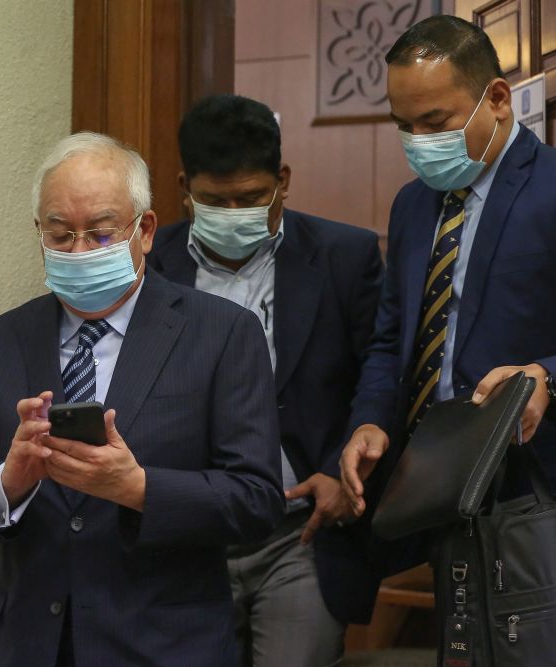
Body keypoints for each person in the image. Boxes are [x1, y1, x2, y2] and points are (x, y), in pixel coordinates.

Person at [338, 15, 556, 667]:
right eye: (403, 125)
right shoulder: (414, 207)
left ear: (497, 98)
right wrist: (370, 422)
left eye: (435, 122)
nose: (417, 142)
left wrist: (550, 377)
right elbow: (391, 340)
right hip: (450, 501)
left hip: (554, 507)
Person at [0, 131, 285, 667]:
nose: (78, 251)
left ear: (144, 230)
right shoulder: (0, 341)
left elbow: (257, 502)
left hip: (164, 644)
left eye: (98, 234)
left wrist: (137, 488)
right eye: (60, 234)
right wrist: (11, 481)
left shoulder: (222, 333)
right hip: (26, 644)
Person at [148, 94, 384, 667]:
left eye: (251, 199)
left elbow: (381, 368)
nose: (233, 212)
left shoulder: (343, 257)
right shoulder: (147, 268)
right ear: (183, 186)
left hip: (301, 532)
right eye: (214, 201)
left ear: (283, 180)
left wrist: (338, 471)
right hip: (186, 537)